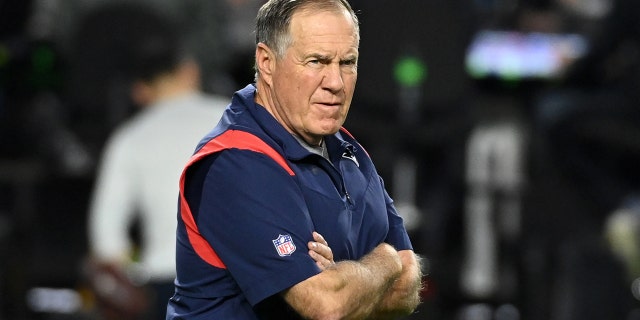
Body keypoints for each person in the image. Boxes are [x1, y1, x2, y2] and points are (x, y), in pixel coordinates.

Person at [167, 0, 423, 319]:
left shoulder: (350, 151)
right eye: (317, 61)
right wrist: (384, 261)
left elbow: (409, 286)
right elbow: (328, 306)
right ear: (266, 62)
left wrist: (346, 277)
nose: (336, 83)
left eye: (347, 62)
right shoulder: (235, 162)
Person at [84, 3, 228, 319]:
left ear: (139, 90)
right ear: (190, 71)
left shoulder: (128, 138)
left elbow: (106, 240)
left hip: (169, 287)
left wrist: (132, 266)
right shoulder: (239, 118)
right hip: (244, 283)